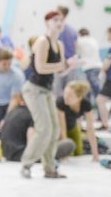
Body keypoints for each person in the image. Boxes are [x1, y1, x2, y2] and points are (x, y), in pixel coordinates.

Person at [20, 11, 73, 179]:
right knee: (44, 129)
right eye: (55, 20)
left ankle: (49, 168)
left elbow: (60, 71)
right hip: (34, 89)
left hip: (47, 90)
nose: (59, 23)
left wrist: (70, 66)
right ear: (47, 23)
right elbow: (41, 68)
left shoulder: (59, 44)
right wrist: (62, 65)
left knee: (55, 129)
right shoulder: (42, 41)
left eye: (61, 20)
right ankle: (26, 164)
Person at [0, 99, 75, 163]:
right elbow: (32, 140)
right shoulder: (33, 115)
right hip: (23, 155)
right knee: (69, 144)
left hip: (6, 154)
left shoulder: (12, 112)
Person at [56, 80, 100, 160]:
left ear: (79, 97)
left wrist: (95, 154)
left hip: (73, 126)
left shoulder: (86, 104)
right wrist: (64, 153)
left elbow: (90, 129)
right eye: (65, 93)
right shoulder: (60, 102)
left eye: (70, 95)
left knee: (78, 152)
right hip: (58, 129)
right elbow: (62, 128)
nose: (66, 97)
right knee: (69, 153)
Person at [53, 5, 82, 98]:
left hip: (61, 63)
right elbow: (76, 49)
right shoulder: (73, 30)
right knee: (69, 91)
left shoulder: (57, 30)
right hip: (70, 63)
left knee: (58, 92)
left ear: (62, 15)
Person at [75, 27, 103, 102]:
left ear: (79, 34)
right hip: (98, 66)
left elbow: (77, 53)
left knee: (92, 88)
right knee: (93, 87)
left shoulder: (80, 40)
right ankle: (94, 104)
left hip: (89, 66)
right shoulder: (93, 40)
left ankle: (99, 105)